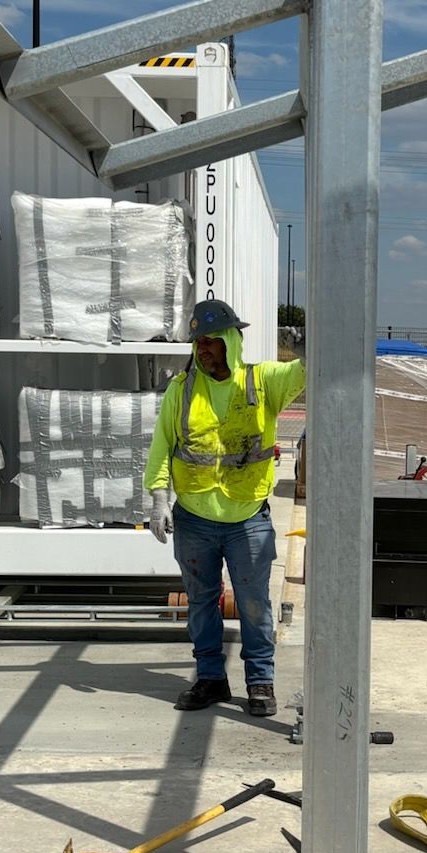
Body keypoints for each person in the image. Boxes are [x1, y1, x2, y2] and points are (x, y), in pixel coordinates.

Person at [145, 299, 305, 716]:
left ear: (232, 341)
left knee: (254, 604)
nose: (204, 349)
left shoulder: (261, 381)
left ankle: (260, 682)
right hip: (194, 519)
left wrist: (307, 348)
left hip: (246, 518)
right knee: (201, 602)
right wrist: (159, 496)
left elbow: (307, 374)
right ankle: (212, 679)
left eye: (212, 341)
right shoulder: (181, 391)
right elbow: (163, 444)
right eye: (198, 341)